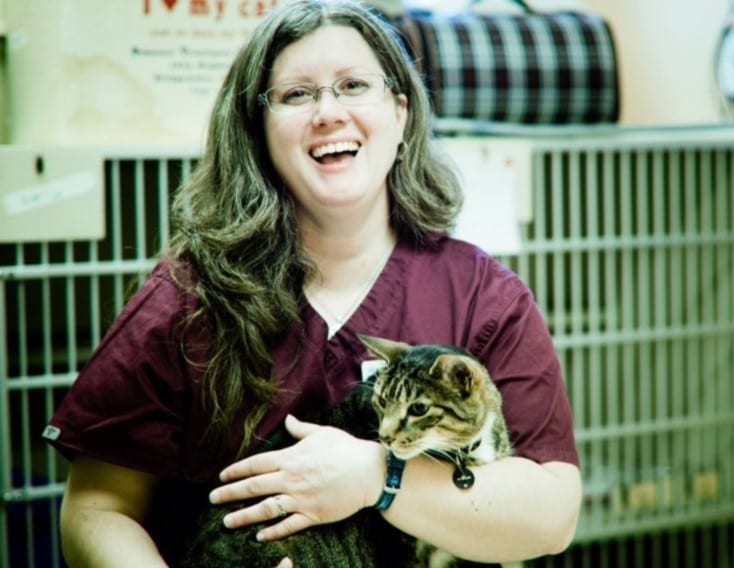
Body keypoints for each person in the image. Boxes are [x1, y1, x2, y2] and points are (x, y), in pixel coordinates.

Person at [44, 1, 582, 566]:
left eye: (353, 85)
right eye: (297, 94)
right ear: (258, 132)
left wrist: (380, 478)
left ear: (400, 113)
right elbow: (96, 511)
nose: (329, 112)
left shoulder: (481, 296)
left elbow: (551, 515)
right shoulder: (188, 298)